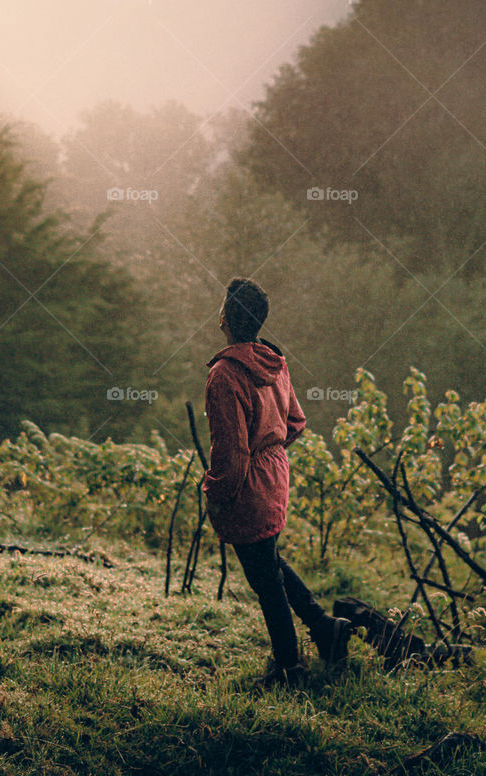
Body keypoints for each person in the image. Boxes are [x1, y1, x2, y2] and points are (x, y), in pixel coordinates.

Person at [201, 276, 353, 688]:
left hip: (248, 484)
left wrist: (215, 492)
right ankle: (325, 629)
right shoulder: (275, 362)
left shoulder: (225, 375)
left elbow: (231, 455)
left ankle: (290, 669)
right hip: (275, 476)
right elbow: (296, 422)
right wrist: (271, 451)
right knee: (268, 561)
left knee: (266, 582)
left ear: (225, 320)